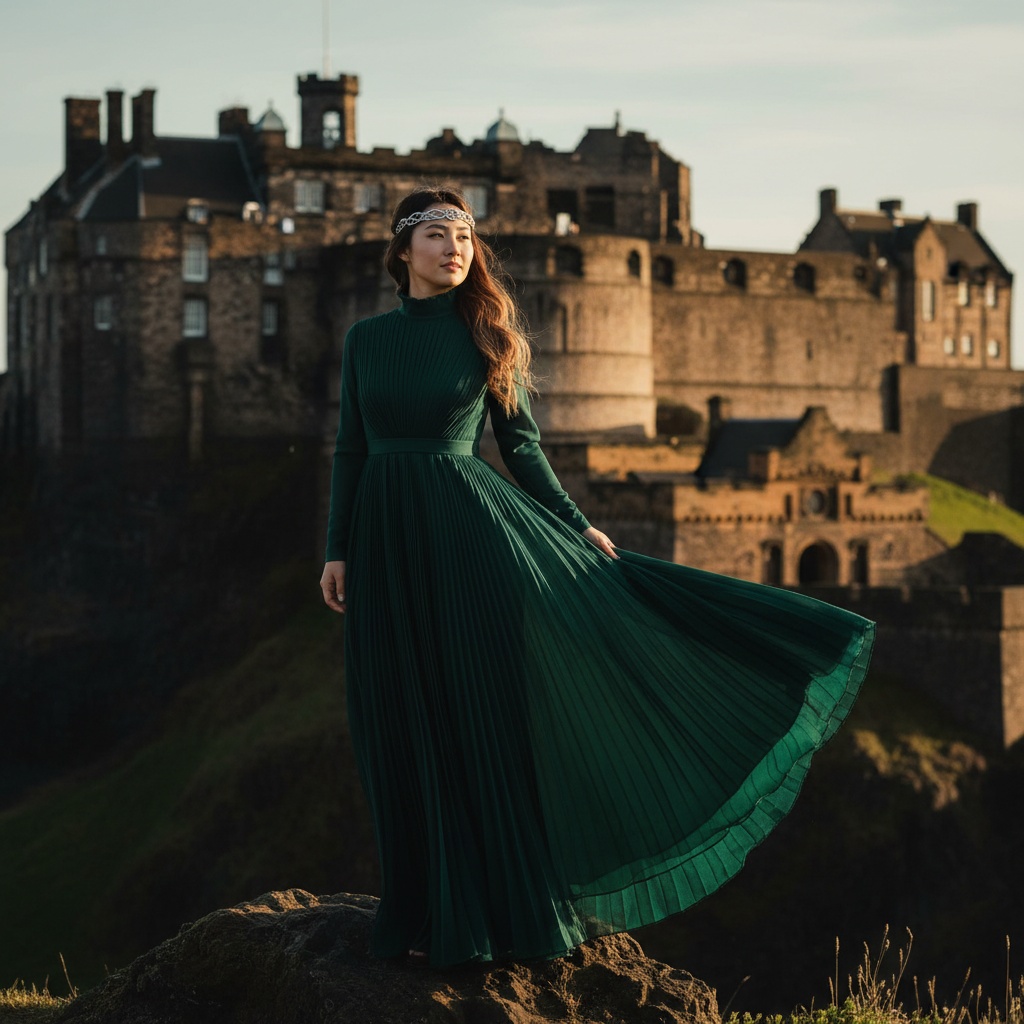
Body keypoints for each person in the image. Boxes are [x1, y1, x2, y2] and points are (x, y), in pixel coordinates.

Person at [320, 185, 874, 968]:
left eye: (465, 238)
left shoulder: (487, 337)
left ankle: (497, 911)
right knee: (395, 716)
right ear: (402, 251)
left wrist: (576, 523)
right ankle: (418, 905)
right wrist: (336, 548)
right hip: (383, 542)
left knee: (477, 715)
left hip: (469, 539)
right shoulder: (365, 341)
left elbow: (521, 448)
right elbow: (350, 448)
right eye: (438, 235)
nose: (455, 249)